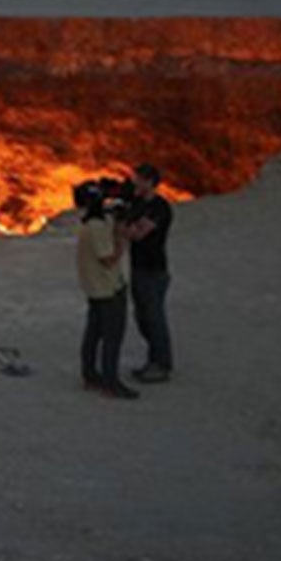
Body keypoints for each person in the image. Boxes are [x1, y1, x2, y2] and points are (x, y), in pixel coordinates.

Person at [76, 180, 137, 400]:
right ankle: (111, 383)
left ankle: (90, 375)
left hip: (93, 287)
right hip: (108, 287)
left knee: (93, 333)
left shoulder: (88, 223)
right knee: (112, 336)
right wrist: (121, 239)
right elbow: (107, 259)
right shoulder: (97, 226)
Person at [125, 163, 174, 385]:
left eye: (138, 179)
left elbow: (137, 234)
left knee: (154, 318)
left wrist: (123, 228)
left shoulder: (160, 208)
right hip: (137, 268)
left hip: (154, 271)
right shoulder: (136, 203)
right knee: (142, 318)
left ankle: (162, 364)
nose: (134, 182)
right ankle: (153, 359)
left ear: (149, 182)